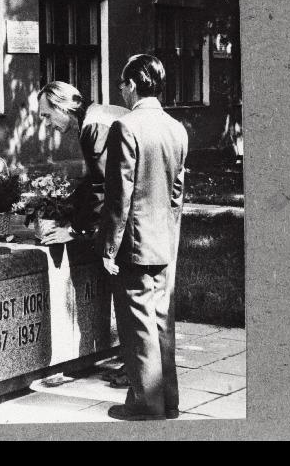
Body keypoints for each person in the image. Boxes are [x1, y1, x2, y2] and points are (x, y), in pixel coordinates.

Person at [97, 54, 188, 421]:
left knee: (138, 327)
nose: (120, 90)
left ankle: (145, 404)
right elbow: (177, 194)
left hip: (134, 244)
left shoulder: (125, 127)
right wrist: (170, 240)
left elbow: (120, 195)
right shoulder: (177, 128)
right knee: (162, 321)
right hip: (164, 241)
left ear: (133, 84)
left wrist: (108, 248)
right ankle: (169, 401)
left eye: (121, 84)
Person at [36, 81, 128, 244]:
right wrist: (66, 209)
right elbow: (93, 179)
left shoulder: (93, 125)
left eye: (47, 115)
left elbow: (102, 186)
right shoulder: (94, 117)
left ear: (62, 107)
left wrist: (75, 231)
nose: (48, 124)